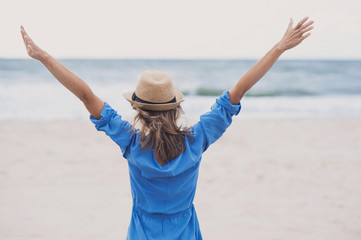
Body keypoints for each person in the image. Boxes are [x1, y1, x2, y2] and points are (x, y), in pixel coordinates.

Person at [20, 17, 313, 239]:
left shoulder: (131, 142)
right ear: (176, 106)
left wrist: (43, 57)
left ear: (138, 110)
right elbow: (239, 89)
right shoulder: (196, 140)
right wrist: (279, 47)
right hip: (185, 231)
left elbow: (86, 95)